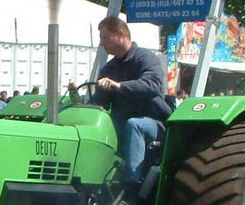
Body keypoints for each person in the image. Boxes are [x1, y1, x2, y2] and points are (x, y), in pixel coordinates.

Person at [73, 16, 172, 193]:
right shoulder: (109, 68)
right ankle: (90, 183)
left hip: (154, 122)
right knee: (100, 130)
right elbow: (99, 105)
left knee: (134, 125)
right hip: (121, 123)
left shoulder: (146, 58)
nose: (101, 43)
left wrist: (119, 86)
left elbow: (152, 85)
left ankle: (130, 188)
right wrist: (77, 99)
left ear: (119, 34)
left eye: (104, 37)